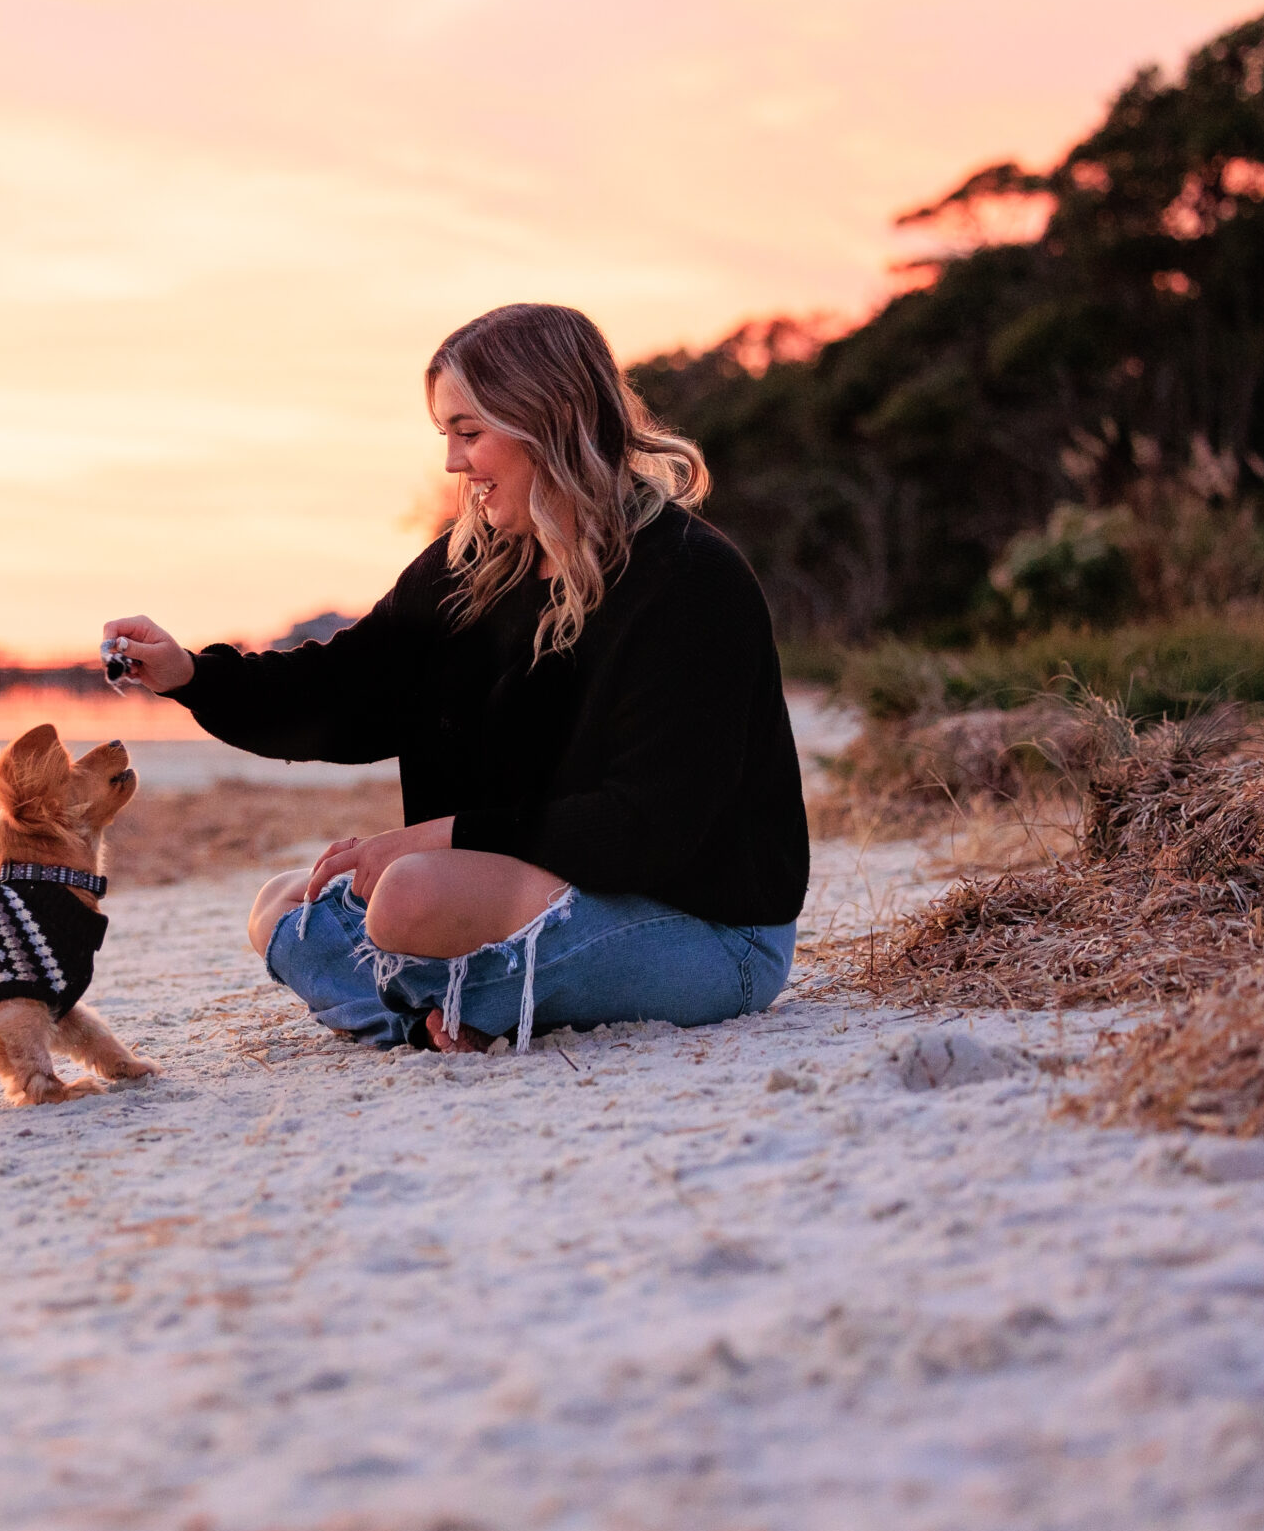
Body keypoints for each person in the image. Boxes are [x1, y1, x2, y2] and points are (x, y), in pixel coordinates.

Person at [103, 303, 807, 1054]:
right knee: (283, 908)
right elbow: (343, 690)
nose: (453, 463)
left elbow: (649, 829)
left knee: (406, 893)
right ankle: (437, 1013)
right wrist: (189, 676)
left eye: (469, 433)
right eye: (447, 436)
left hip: (705, 930)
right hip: (519, 893)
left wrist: (433, 840)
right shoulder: (468, 568)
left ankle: (424, 1001)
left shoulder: (689, 577)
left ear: (553, 418)